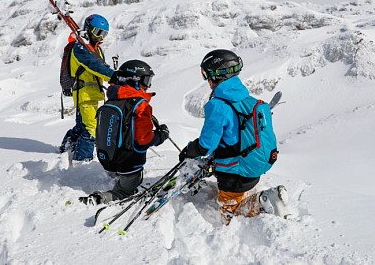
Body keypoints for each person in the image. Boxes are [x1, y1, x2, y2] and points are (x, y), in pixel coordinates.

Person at [179, 49, 290, 223]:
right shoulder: (250, 100)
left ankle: (264, 201)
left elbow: (206, 145)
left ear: (217, 74)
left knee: (230, 213)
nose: (206, 80)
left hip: (235, 174)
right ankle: (254, 197)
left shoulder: (217, 105)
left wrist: (190, 150)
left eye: (206, 74)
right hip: (255, 167)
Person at [80, 59, 169, 204]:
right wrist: (161, 135)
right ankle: (102, 198)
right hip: (129, 164)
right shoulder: (140, 105)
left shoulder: (112, 100)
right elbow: (144, 139)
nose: (147, 86)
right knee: (124, 192)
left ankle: (118, 179)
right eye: (146, 80)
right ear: (134, 80)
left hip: (109, 159)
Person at [58, 14, 115, 162]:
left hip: (93, 94)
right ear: (89, 29)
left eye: (104, 34)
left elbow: (102, 66)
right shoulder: (80, 48)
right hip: (84, 94)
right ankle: (82, 161)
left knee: (83, 125)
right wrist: (114, 76)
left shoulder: (94, 49)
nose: (100, 38)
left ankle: (67, 147)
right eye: (98, 33)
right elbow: (94, 66)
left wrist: (115, 76)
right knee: (92, 129)